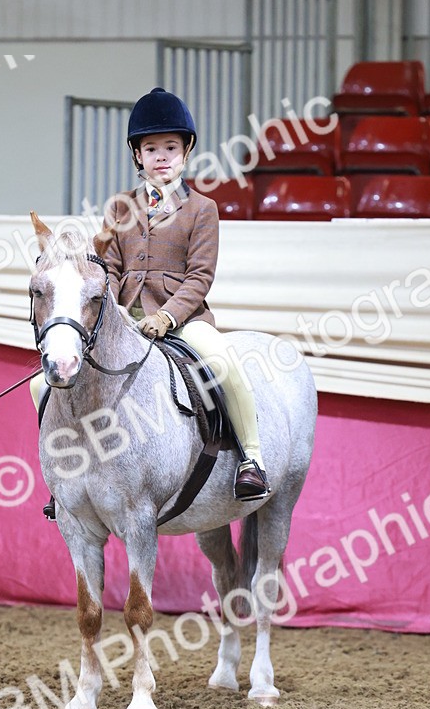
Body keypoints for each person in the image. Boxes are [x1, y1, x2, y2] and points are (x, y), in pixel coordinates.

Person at [33, 86, 269, 519]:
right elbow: (110, 270)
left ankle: (251, 457)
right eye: (151, 148)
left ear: (186, 151)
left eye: (170, 147)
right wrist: (120, 314)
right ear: (137, 155)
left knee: (222, 363)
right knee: (40, 384)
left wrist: (165, 316)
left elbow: (200, 276)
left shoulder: (203, 209)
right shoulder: (119, 209)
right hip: (126, 323)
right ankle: (63, 479)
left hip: (184, 320)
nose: (161, 156)